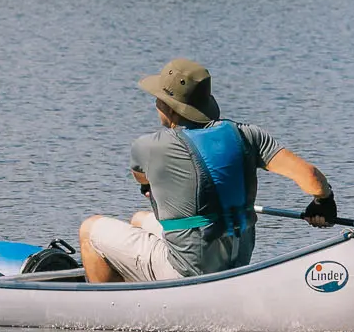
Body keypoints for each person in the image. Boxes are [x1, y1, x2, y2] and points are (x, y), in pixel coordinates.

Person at [78, 58, 337, 284]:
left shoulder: (147, 147)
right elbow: (311, 177)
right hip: (236, 261)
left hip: (188, 271)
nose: (155, 103)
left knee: (90, 230)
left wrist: (150, 187)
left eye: (158, 98)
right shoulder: (248, 134)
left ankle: (111, 307)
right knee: (139, 219)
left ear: (169, 107)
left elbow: (142, 180)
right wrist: (323, 203)